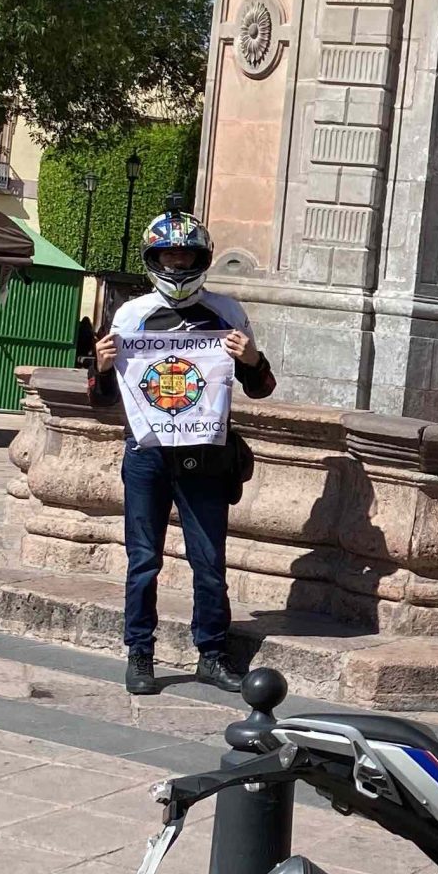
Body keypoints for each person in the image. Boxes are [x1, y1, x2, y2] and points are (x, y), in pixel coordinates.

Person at [91, 209, 274, 696]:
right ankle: (140, 653)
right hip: (148, 454)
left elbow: (260, 387)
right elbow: (105, 398)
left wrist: (252, 359)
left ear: (201, 258)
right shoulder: (132, 314)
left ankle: (211, 654)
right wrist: (102, 366)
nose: (177, 263)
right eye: (168, 255)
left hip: (205, 454)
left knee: (210, 560)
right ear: (154, 259)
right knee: (143, 559)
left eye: (186, 254)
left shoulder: (228, 312)